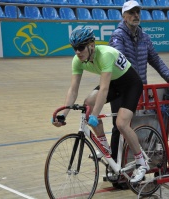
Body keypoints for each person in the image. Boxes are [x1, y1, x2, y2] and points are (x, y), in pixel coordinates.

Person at [52, 27, 149, 183]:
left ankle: (141, 163)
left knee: (121, 124)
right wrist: (63, 114)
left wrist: (95, 116)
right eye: (74, 48)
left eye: (81, 47)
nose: (77, 52)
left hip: (131, 84)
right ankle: (105, 147)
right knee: (88, 103)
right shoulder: (77, 61)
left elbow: (104, 89)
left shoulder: (105, 55)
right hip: (114, 83)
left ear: (91, 45)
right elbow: (73, 90)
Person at [108, 0, 169, 188]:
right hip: (120, 89)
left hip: (138, 89)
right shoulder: (118, 36)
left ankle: (134, 167)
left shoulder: (144, 37)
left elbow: (155, 59)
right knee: (120, 128)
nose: (136, 15)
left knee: (136, 126)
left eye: (138, 12)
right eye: (131, 12)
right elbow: (120, 60)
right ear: (123, 16)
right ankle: (116, 171)